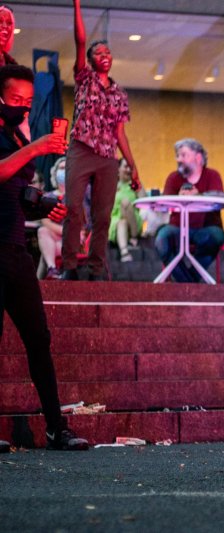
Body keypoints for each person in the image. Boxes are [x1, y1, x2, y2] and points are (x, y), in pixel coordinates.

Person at [0, 64, 88, 453]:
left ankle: (56, 426)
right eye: (15, 100)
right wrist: (36, 146)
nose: (21, 107)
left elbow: (17, 191)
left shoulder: (15, 130)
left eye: (28, 101)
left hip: (15, 248)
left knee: (38, 338)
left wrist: (43, 206)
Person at [60, 0, 140, 281]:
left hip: (107, 157)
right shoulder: (85, 79)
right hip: (82, 149)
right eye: (99, 52)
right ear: (91, 60)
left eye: (107, 51)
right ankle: (68, 266)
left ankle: (96, 267)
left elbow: (120, 133)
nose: (104, 55)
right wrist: (78, 6)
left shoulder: (119, 93)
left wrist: (133, 166)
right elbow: (80, 41)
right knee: (73, 208)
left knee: (103, 215)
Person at [154, 138, 224, 283]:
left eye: (183, 155)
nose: (178, 159)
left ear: (198, 157)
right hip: (177, 228)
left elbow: (220, 198)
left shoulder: (212, 175)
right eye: (177, 155)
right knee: (162, 238)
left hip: (207, 229)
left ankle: (186, 280)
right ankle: (188, 282)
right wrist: (177, 198)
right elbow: (164, 203)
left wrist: (197, 195)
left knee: (213, 238)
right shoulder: (173, 178)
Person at [108, 158, 142, 263]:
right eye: (125, 167)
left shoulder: (133, 184)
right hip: (116, 220)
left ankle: (134, 236)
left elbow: (144, 201)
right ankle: (124, 252)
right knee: (121, 222)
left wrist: (137, 182)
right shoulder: (111, 185)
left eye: (130, 167)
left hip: (134, 221)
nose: (128, 170)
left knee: (125, 203)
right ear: (118, 169)